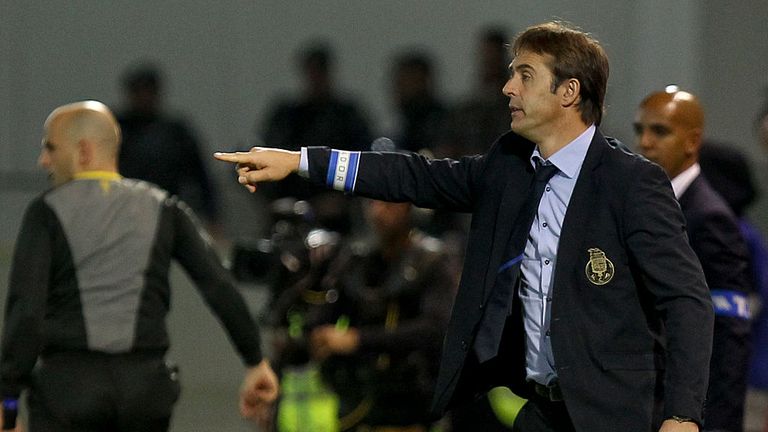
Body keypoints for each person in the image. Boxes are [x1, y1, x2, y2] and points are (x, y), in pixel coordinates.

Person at [215, 21, 714, 432]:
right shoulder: (509, 166)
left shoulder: (632, 184)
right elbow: (412, 175)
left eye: (524, 75)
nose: (507, 87)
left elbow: (686, 300)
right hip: (540, 412)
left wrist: (683, 415)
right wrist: (302, 160)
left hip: (618, 416)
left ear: (568, 91)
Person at [0, 101, 278, 431]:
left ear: (84, 151)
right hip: (146, 392)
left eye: (49, 147)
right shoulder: (164, 207)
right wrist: (254, 360)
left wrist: (8, 397)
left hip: (69, 390)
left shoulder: (46, 211)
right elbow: (218, 284)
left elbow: (26, 310)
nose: (43, 160)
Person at [634, 89, 753, 432]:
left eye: (659, 131)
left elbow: (730, 333)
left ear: (692, 141)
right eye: (639, 129)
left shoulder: (709, 219)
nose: (644, 142)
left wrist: (716, 422)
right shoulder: (648, 206)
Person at [305, 199, 454, 431]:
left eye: (388, 204)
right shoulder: (358, 260)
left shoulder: (431, 261)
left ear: (407, 207)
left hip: (414, 405)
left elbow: (434, 329)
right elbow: (326, 315)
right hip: (361, 402)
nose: (378, 211)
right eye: (373, 203)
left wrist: (357, 340)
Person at [116, 63, 220, 226]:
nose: (144, 98)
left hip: (166, 211)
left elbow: (201, 176)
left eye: (148, 91)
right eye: (139, 92)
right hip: (123, 210)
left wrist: (213, 215)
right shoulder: (116, 129)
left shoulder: (175, 132)